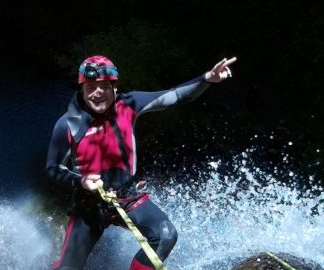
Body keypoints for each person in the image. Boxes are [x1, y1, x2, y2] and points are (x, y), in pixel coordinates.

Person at [46, 55, 237, 270]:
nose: (97, 93)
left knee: (166, 235)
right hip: (89, 204)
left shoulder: (129, 105)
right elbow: (53, 169)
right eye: (91, 87)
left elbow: (174, 96)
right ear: (82, 89)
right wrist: (81, 181)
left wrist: (207, 78)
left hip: (126, 195)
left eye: (104, 87)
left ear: (114, 87)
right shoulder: (68, 125)